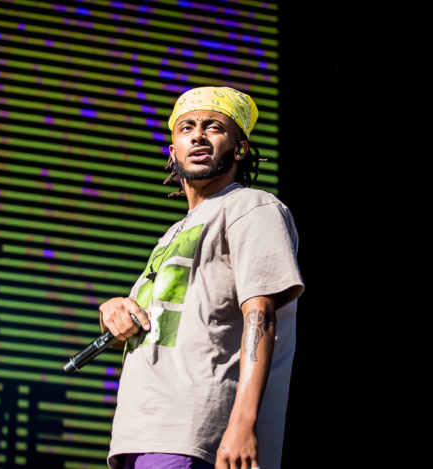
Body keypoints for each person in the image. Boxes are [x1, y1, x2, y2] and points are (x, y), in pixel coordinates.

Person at [99, 86, 304, 469]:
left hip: (197, 431)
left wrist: (242, 424)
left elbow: (260, 313)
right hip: (140, 433)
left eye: (213, 127)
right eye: (186, 128)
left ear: (240, 149)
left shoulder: (251, 207)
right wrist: (116, 311)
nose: (197, 136)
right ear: (172, 151)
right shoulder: (172, 235)